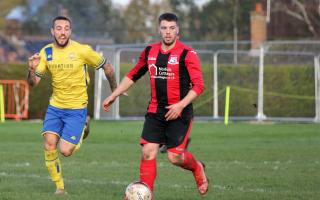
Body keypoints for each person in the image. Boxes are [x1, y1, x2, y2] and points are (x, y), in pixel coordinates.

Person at [103, 12, 209, 196]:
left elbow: (199, 85)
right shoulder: (149, 51)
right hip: (155, 111)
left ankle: (197, 167)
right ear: (159, 30)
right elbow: (133, 74)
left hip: (180, 112)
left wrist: (180, 105)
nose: (168, 32)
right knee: (148, 153)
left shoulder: (188, 54)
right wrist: (114, 94)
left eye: (172, 28)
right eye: (164, 28)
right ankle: (146, 194)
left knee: (174, 157)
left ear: (178, 30)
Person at [27, 16, 117, 194]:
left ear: (70, 31)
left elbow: (108, 67)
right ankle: (60, 188)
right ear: (52, 31)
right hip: (55, 106)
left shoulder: (82, 50)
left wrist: (115, 90)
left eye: (66, 28)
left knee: (66, 151)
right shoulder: (46, 53)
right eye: (59, 28)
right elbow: (32, 83)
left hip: (77, 108)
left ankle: (83, 128)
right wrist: (30, 69)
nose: (62, 32)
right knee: (49, 144)